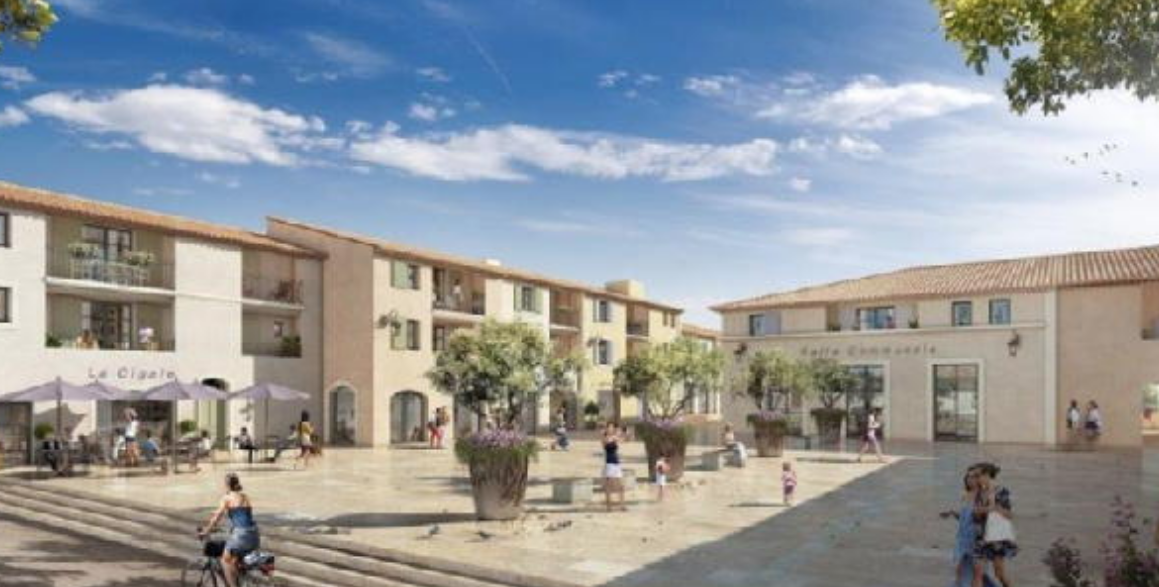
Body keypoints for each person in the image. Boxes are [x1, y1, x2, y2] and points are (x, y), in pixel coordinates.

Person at [940, 467, 998, 587]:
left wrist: (981, 511)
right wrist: (952, 513)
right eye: (968, 477)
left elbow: (992, 511)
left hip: (976, 537)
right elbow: (965, 517)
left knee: (976, 572)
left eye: (973, 477)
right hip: (962, 537)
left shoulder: (984, 494)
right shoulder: (965, 495)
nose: (969, 479)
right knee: (960, 569)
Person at [199, 473, 260, 587]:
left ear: (227, 485)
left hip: (241, 536)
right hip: (254, 535)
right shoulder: (245, 497)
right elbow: (244, 518)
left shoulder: (227, 498)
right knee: (234, 560)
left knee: (224, 560)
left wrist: (206, 530)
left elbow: (217, 517)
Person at [972, 463, 1017, 587]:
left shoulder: (1001, 491)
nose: (975, 479)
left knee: (999, 574)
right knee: (977, 572)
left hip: (996, 537)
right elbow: (977, 515)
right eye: (974, 476)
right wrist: (978, 512)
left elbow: (1009, 515)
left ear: (987, 475)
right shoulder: (979, 492)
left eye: (977, 475)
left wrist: (994, 507)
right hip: (981, 537)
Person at [602, 423, 626, 512]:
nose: (611, 429)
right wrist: (616, 436)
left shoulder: (615, 437)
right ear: (607, 429)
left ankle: (622, 505)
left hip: (616, 463)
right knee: (609, 486)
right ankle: (609, 506)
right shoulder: (604, 438)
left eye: (612, 427)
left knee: (621, 486)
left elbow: (623, 440)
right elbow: (606, 442)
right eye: (609, 427)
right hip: (609, 464)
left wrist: (623, 434)